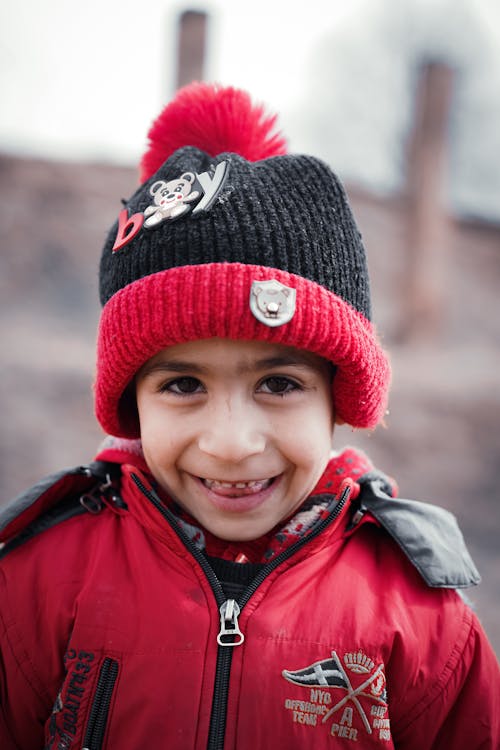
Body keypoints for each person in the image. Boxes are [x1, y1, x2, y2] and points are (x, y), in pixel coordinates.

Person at [0, 82, 498, 750]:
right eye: (181, 384)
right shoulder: (35, 583)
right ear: (132, 407)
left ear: (339, 399)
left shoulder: (422, 619)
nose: (232, 444)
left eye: (279, 383)